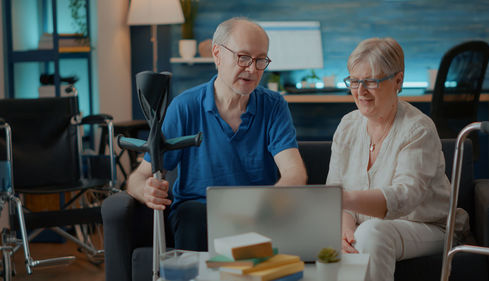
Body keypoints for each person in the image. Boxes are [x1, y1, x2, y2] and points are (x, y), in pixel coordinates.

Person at [127, 17, 307, 251]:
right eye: (243, 57)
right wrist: (146, 191)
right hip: (199, 212)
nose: (252, 69)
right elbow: (136, 179)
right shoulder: (185, 107)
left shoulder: (273, 105)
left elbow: (294, 172)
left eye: (260, 60)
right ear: (217, 54)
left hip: (259, 212)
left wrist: (268, 206)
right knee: (192, 217)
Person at [326, 37, 468, 281]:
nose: (360, 92)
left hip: (429, 226)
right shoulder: (347, 126)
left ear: (398, 81)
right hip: (369, 228)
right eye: (355, 81)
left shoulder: (418, 129)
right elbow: (336, 191)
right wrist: (345, 229)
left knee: (371, 232)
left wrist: (345, 198)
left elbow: (404, 197)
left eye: (370, 81)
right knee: (347, 236)